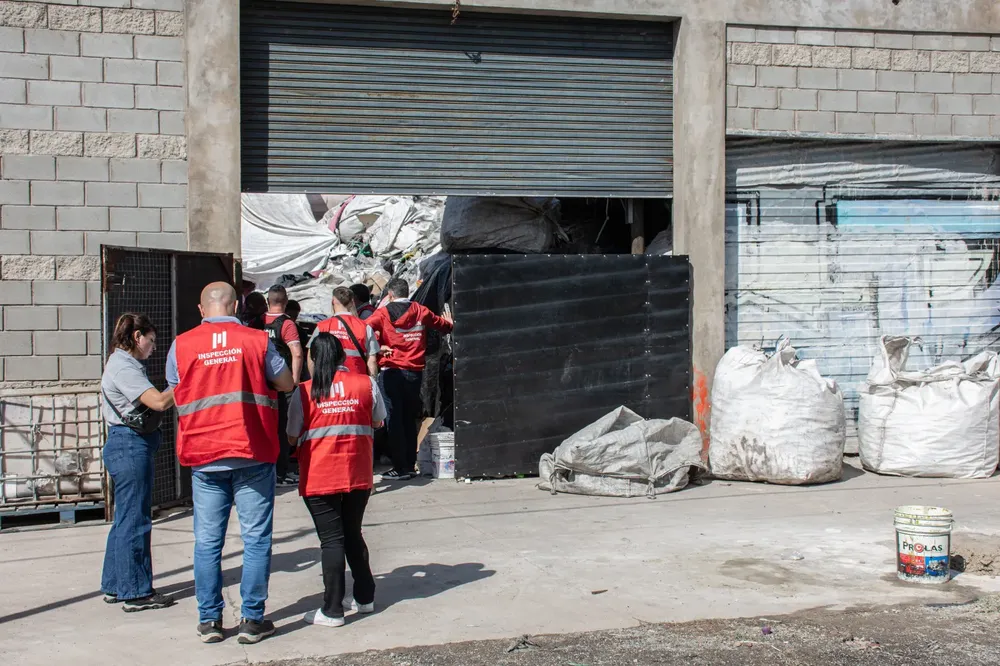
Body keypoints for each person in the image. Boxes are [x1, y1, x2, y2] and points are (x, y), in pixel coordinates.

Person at [166, 282, 294, 645]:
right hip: (251, 449)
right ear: (236, 305)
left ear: (201, 309)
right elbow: (284, 383)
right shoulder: (257, 340)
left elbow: (176, 388)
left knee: (207, 542)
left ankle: (209, 621)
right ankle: (252, 620)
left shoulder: (181, 345)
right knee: (255, 539)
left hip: (204, 456)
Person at [287, 333, 386, 627]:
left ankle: (332, 610)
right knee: (352, 533)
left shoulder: (305, 391)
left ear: (313, 360)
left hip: (320, 476)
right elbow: (378, 421)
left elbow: (292, 436)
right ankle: (365, 597)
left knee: (332, 540)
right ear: (343, 358)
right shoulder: (366, 383)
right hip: (357, 473)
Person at [100, 313, 176, 613]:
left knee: (126, 519)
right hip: (129, 446)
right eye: (151, 341)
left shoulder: (125, 364)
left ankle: (116, 584)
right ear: (136, 337)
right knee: (136, 521)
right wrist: (186, 383)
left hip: (127, 445)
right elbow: (157, 402)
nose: (153, 348)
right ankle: (135, 592)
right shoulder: (123, 367)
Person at [366, 278, 453, 480]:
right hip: (415, 374)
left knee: (393, 420)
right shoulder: (420, 311)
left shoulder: (383, 313)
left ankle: (400, 467)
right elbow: (443, 326)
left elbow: (363, 330)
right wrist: (449, 323)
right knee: (408, 418)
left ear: (390, 295)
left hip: (391, 371)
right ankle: (408, 464)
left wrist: (379, 347)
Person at [262, 285, 303, 485]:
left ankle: (270, 470)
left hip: (262, 385)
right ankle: (281, 472)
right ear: (285, 301)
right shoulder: (287, 324)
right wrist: (294, 381)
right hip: (282, 383)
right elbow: (296, 352)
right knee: (284, 429)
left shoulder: (257, 322)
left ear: (268, 300)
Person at [309, 287, 379, 377]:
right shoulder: (364, 327)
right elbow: (372, 360)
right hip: (357, 381)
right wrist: (372, 382)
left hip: (330, 381)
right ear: (352, 302)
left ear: (333, 301)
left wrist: (315, 380)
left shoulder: (322, 326)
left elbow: (311, 357)